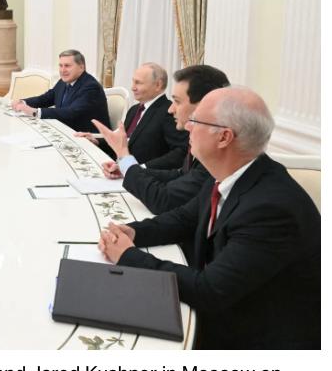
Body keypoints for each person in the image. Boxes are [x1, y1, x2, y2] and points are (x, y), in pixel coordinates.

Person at [97, 87, 320, 349]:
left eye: (196, 121)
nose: (186, 127)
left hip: (257, 334)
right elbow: (184, 218)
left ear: (224, 137)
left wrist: (129, 256)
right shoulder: (231, 171)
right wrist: (134, 232)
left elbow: (210, 291)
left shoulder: (271, 208)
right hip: (230, 305)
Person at [98, 65, 230, 220]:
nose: (171, 109)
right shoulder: (135, 109)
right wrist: (128, 169)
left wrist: (125, 158)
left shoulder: (216, 155)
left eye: (177, 102)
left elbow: (163, 200)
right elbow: (181, 174)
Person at [77, 62, 185, 168]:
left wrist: (141, 168)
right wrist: (96, 141)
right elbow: (125, 143)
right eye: (133, 82)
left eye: (138, 83)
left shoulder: (169, 112)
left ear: (158, 85)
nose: (133, 87)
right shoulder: (134, 110)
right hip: (118, 169)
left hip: (143, 176)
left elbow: (180, 153)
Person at [11, 50, 108, 134]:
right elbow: (46, 98)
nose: (62, 70)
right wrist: (23, 102)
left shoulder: (91, 87)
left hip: (89, 141)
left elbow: (71, 113)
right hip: (66, 131)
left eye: (67, 66)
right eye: (60, 66)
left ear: (81, 67)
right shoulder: (64, 81)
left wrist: (36, 112)